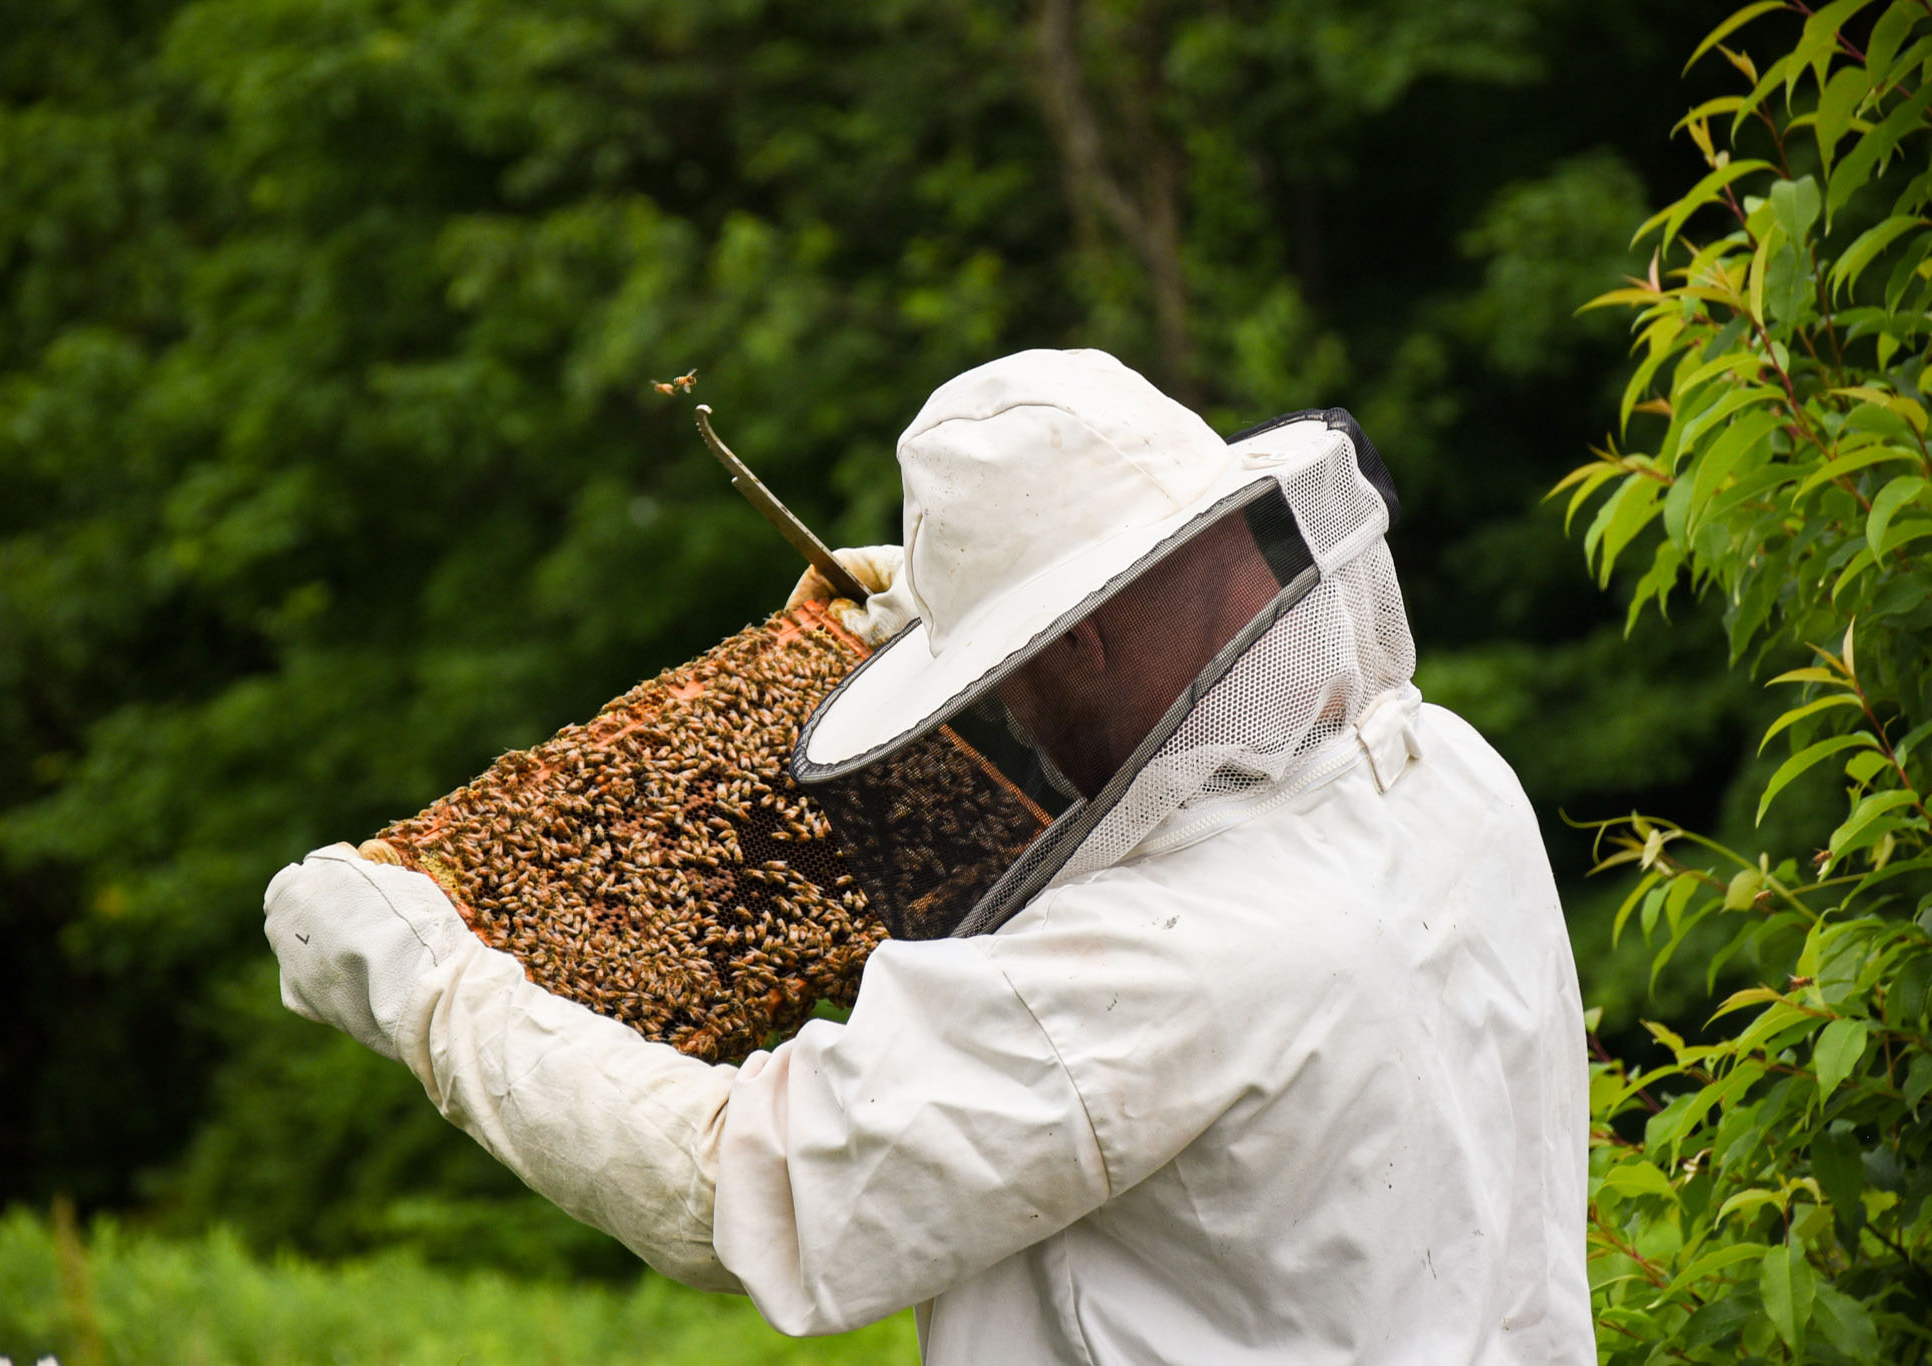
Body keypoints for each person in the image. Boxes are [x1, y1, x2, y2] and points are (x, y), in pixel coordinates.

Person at [266, 348, 1595, 1363]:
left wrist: (428, 983)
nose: (999, 705)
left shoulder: (1133, 975)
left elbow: (745, 1183)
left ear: (1071, 635)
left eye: (1010, 664)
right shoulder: (1449, 780)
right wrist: (947, 601)